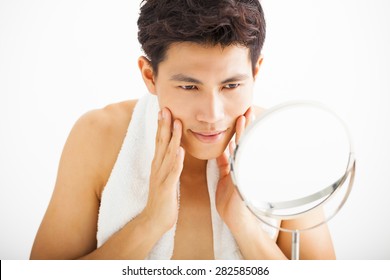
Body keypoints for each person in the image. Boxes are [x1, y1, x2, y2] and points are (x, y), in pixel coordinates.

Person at [30, 0, 336, 260]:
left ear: (256, 73)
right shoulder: (99, 137)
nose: (212, 115)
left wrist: (245, 226)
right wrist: (150, 223)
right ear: (150, 76)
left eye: (231, 85)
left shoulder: (283, 142)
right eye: (189, 86)